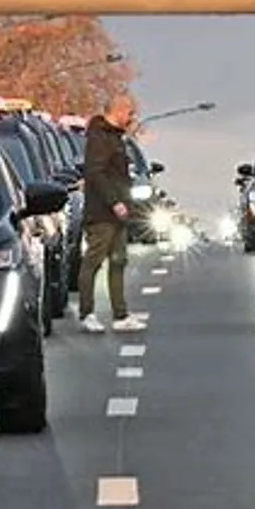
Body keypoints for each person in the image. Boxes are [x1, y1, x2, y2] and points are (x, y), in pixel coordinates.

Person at [77, 95, 147, 333]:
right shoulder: (99, 137)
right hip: (102, 212)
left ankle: (121, 314)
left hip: (119, 212)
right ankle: (87, 313)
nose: (132, 118)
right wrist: (114, 201)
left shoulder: (116, 137)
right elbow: (96, 173)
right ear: (119, 111)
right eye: (130, 113)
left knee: (119, 260)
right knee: (93, 262)